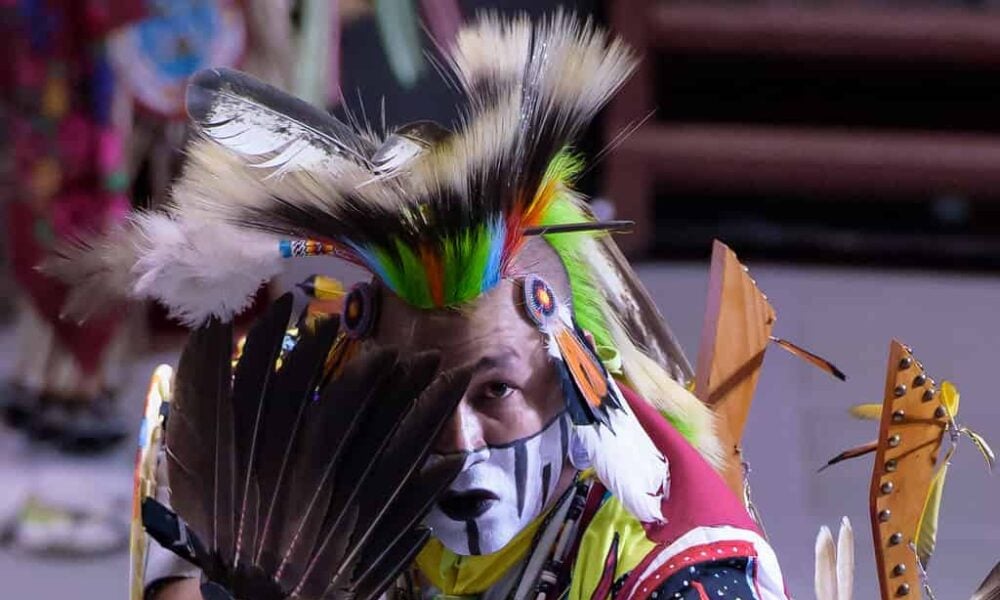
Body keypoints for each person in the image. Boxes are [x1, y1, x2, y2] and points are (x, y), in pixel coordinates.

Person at [53, 13, 790, 599]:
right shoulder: (287, 471)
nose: (458, 439)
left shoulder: (683, 573)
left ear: (577, 376)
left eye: (494, 390)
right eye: (414, 395)